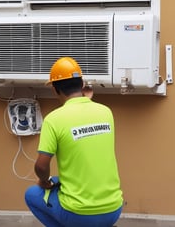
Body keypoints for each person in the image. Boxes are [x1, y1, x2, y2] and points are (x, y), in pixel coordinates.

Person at [25, 57, 123, 227]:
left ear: (55, 89)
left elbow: (41, 167)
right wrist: (87, 99)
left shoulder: (54, 119)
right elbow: (85, 119)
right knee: (59, 179)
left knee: (33, 194)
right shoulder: (106, 112)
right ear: (82, 83)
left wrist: (44, 180)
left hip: (79, 214)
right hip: (113, 209)